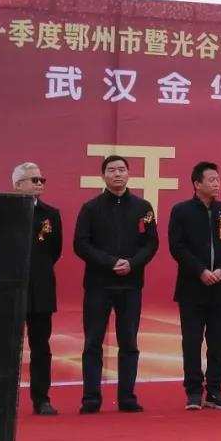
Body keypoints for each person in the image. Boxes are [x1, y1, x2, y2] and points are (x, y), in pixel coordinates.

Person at [74, 154, 159, 414]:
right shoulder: (90, 208)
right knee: (93, 343)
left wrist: (132, 263)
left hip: (131, 285)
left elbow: (151, 243)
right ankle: (91, 399)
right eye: (111, 170)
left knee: (129, 343)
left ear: (128, 173)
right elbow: (81, 244)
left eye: (122, 169)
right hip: (98, 285)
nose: (117, 174)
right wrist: (110, 262)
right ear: (103, 176)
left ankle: (127, 398)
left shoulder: (143, 208)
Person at [168, 161, 221, 410]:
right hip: (192, 287)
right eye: (211, 180)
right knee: (191, 341)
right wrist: (200, 270)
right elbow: (176, 246)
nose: (217, 184)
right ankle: (193, 391)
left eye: (218, 179)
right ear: (197, 183)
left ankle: (214, 391)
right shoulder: (181, 211)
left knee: (217, 342)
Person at [12, 161, 62, 415]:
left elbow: (55, 251)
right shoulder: (3, 212)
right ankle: (4, 399)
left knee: (41, 347)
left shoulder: (50, 214)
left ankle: (41, 399)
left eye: (42, 179)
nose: (40, 183)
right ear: (18, 184)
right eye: (34, 180)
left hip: (41, 290)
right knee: (8, 347)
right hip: (10, 291)